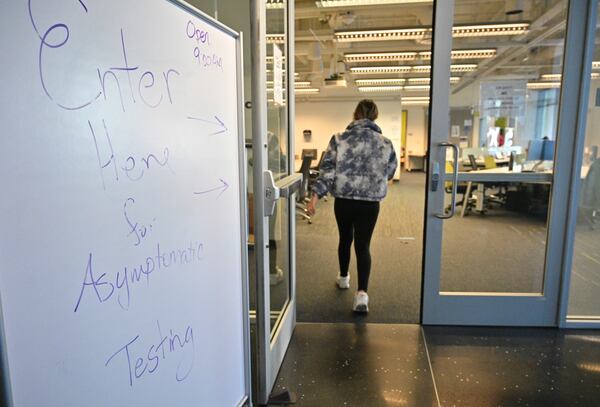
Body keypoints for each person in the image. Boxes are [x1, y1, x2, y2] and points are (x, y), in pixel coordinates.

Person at [307, 99, 397, 313]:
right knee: (363, 245)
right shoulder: (385, 143)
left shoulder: (339, 139)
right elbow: (391, 171)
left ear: (355, 114)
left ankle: (344, 277)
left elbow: (327, 170)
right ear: (375, 115)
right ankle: (362, 295)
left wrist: (315, 197)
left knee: (345, 239)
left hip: (344, 201)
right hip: (370, 203)